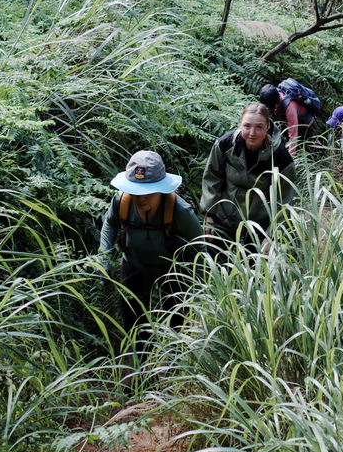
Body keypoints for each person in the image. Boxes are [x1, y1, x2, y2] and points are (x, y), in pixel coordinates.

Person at [99, 150, 204, 334]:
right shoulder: (122, 202)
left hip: (173, 269)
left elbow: (200, 248)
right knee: (133, 324)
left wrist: (200, 291)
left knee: (175, 324)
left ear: (161, 189)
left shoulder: (181, 212)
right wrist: (104, 260)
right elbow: (109, 224)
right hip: (134, 264)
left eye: (148, 192)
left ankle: (171, 359)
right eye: (135, 191)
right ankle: (139, 358)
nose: (141, 197)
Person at [201, 103, 297, 253]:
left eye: (259, 127)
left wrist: (272, 235)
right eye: (247, 126)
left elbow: (285, 199)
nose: (252, 133)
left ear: (268, 127)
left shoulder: (280, 156)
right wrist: (209, 215)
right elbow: (212, 178)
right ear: (240, 125)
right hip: (224, 220)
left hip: (259, 228)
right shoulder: (225, 145)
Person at [258, 79, 320, 154]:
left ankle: (318, 154)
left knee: (305, 150)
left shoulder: (290, 107)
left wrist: (291, 160)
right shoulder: (272, 95)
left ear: (277, 101)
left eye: (273, 107)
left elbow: (293, 136)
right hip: (287, 122)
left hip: (305, 126)